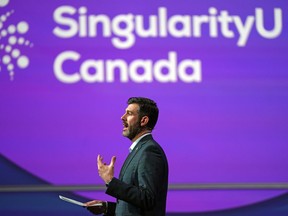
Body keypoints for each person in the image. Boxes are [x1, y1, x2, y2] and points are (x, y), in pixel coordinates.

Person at [85, 97, 169, 216]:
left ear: (143, 120)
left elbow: (148, 199)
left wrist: (110, 181)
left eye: (129, 113)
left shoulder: (149, 151)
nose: (122, 117)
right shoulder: (139, 149)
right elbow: (134, 207)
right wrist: (107, 208)